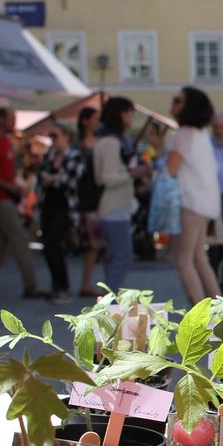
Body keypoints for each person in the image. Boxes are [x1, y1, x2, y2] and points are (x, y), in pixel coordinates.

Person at [0, 106, 42, 299]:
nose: (14, 122)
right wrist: (7, 185)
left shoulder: (8, 142)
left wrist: (15, 185)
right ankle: (31, 286)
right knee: (20, 239)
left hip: (8, 196)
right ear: (1, 119)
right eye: (11, 118)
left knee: (1, 243)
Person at [165, 87, 221, 305]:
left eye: (178, 100)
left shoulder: (182, 134)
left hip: (190, 204)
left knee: (183, 260)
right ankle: (221, 311)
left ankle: (200, 317)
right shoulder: (200, 135)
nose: (173, 102)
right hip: (205, 204)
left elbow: (169, 171)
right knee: (199, 258)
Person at [94, 96, 148, 290]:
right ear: (121, 114)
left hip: (114, 207)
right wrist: (133, 173)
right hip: (113, 207)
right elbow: (107, 178)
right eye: (130, 112)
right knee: (121, 258)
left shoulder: (110, 139)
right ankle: (110, 307)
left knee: (116, 258)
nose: (132, 117)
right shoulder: (111, 142)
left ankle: (109, 303)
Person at [37, 123, 81, 302]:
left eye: (55, 136)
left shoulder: (75, 156)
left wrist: (53, 178)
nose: (52, 140)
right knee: (49, 247)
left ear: (67, 136)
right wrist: (54, 178)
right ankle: (58, 285)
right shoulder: (50, 155)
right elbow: (41, 177)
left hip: (65, 208)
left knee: (53, 245)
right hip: (48, 205)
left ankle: (63, 286)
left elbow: (70, 181)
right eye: (51, 136)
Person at [74, 106, 106, 297]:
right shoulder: (78, 145)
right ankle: (86, 284)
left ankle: (107, 285)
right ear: (85, 121)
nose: (98, 122)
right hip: (88, 199)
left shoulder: (101, 142)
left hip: (103, 198)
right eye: (95, 118)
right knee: (92, 244)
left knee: (104, 244)